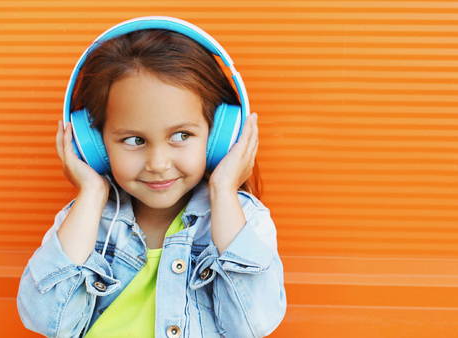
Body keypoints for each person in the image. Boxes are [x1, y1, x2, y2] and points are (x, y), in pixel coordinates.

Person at [17, 17, 286, 338]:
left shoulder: (245, 220)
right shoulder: (85, 221)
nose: (158, 163)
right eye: (134, 140)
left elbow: (253, 324)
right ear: (95, 145)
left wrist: (224, 191)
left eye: (182, 135)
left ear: (220, 136)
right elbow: (47, 320)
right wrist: (90, 193)